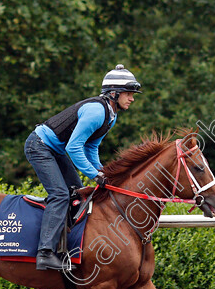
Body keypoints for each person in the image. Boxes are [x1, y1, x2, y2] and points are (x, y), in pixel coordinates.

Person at [24, 64, 142, 271]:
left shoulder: (111, 115)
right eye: (128, 94)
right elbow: (74, 147)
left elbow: (91, 146)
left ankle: (63, 247)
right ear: (113, 93)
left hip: (55, 150)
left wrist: (102, 171)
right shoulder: (97, 112)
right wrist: (94, 174)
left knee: (76, 193)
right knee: (60, 194)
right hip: (39, 146)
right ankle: (45, 253)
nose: (132, 98)